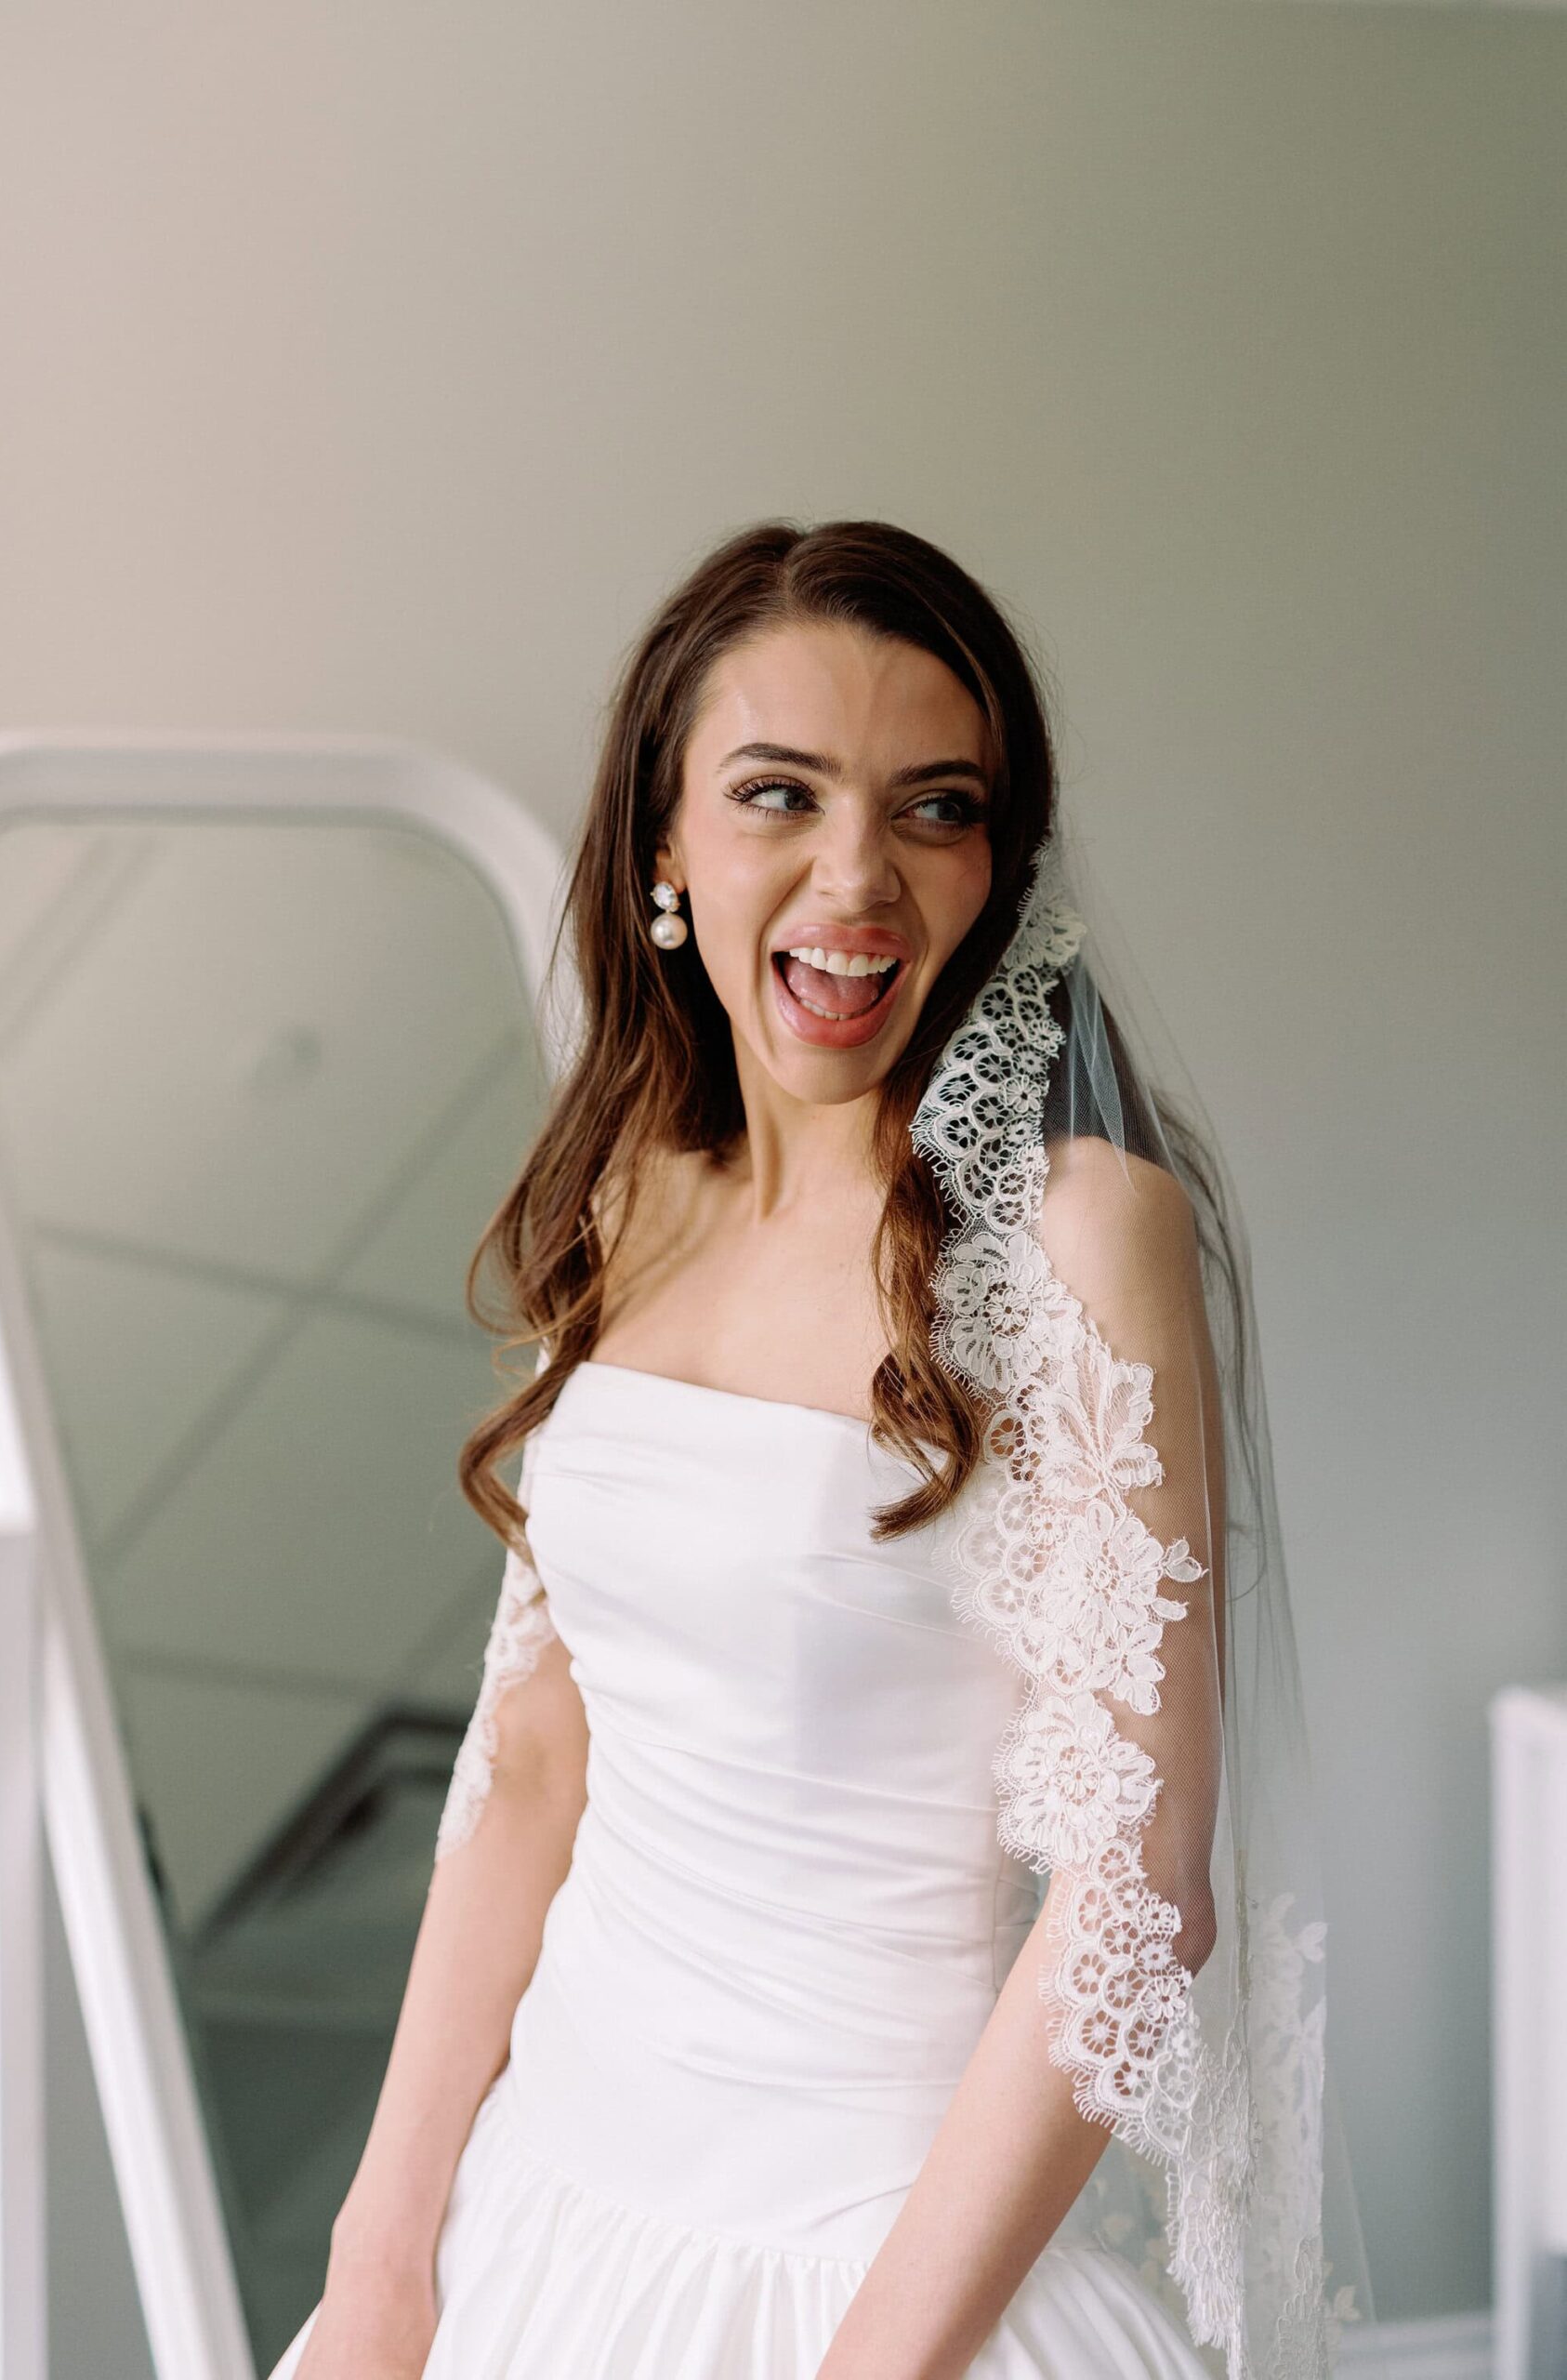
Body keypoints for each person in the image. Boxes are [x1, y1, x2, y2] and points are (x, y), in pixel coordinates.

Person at [271, 519, 1369, 2379]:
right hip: (529, 2232)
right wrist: (383, 2255)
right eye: (779, 792)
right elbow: (535, 1756)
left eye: (933, 808)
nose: (857, 877)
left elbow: (1138, 1888)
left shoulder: (1084, 1234)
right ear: (665, 850)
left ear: (998, 868)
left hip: (870, 2284)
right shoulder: (625, 1190)